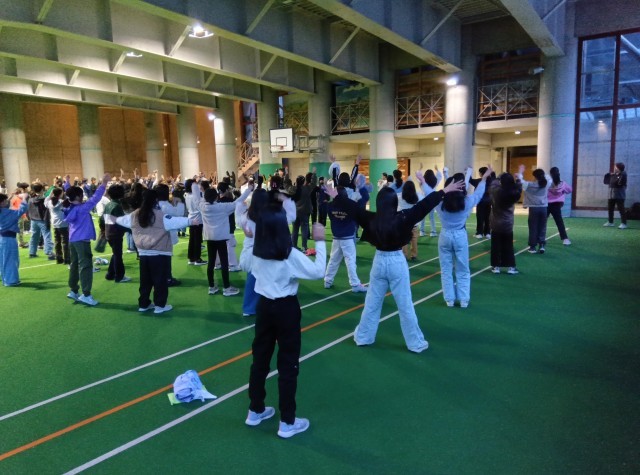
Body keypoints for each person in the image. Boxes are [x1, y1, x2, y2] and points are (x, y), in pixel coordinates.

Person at [326, 174, 463, 352]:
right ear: (394, 203)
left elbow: (352, 208)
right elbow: (424, 206)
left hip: (379, 262)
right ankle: (415, 343)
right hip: (397, 262)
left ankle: (364, 337)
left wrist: (336, 196)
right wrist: (444, 191)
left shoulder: (371, 218)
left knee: (372, 303)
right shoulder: (404, 217)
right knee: (405, 305)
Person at [244, 201, 327, 439]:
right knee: (288, 364)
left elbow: (244, 264)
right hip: (285, 310)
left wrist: (249, 239)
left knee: (260, 359)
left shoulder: (256, 251)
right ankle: (287, 422)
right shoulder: (289, 255)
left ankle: (255, 410)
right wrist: (320, 241)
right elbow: (318, 271)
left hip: (264, 308)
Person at [116, 189, 198, 314]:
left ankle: (143, 304)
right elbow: (174, 221)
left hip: (143, 253)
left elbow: (121, 220)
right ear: (155, 200)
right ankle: (160, 305)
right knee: (160, 280)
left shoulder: (134, 214)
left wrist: (109, 218)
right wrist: (190, 221)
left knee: (145, 281)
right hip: (160, 253)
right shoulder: (160, 215)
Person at [435, 167, 492, 308]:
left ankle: (449, 300)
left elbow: (430, 194)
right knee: (463, 269)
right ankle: (464, 300)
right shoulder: (467, 202)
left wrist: (423, 182)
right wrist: (484, 178)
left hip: (445, 235)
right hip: (460, 235)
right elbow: (478, 193)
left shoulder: (440, 204)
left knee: (446, 270)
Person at [194, 181, 253, 297]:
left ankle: (211, 287)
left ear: (205, 197)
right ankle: (226, 288)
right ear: (216, 197)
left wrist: (194, 185)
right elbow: (239, 201)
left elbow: (196, 198)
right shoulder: (223, 207)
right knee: (224, 263)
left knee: (211, 263)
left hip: (209, 238)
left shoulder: (202, 206)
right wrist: (249, 189)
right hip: (221, 238)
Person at [64, 173, 110, 306]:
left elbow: (69, 192)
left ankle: (73, 290)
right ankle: (86, 294)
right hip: (82, 240)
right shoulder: (82, 209)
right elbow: (95, 198)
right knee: (86, 266)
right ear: (78, 197)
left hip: (73, 239)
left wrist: (67, 182)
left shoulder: (69, 207)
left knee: (74, 264)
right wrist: (104, 183)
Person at [324, 172, 367, 293]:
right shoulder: (351, 204)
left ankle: (327, 281)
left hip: (336, 237)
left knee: (333, 260)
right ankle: (355, 284)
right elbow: (362, 202)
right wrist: (360, 188)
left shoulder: (330, 206)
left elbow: (332, 216)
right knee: (350, 261)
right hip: (347, 237)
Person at [489, 173, 522, 275]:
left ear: (501, 182)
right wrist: (518, 179)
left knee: (495, 246)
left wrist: (495, 176)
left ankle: (496, 267)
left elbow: (493, 185)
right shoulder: (514, 193)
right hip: (508, 224)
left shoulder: (496, 192)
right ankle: (511, 267)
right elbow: (519, 188)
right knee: (508, 246)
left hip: (495, 223)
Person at [517, 165, 552, 254]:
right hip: (544, 208)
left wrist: (520, 172)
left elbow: (520, 181)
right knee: (542, 227)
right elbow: (549, 178)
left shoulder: (529, 185)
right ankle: (542, 245)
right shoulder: (547, 184)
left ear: (535, 177)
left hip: (533, 209)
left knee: (533, 228)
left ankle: (532, 247)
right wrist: (541, 172)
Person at [0, 191, 29, 286]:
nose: (7, 202)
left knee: (3, 259)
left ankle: (5, 278)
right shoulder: (7, 213)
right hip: (8, 239)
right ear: (2, 203)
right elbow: (22, 209)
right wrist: (24, 198)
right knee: (10, 259)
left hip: (2, 237)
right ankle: (10, 280)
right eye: (5, 201)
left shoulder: (3, 211)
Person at [103, 184, 129, 283]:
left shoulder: (108, 205)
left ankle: (110, 274)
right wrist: (130, 229)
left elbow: (102, 219)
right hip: (116, 233)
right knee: (118, 255)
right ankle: (119, 276)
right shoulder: (117, 206)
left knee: (115, 254)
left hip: (108, 231)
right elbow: (121, 222)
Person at [547, 167, 573, 245]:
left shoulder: (547, 183)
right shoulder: (563, 184)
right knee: (559, 222)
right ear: (559, 173)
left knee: (542, 222)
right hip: (556, 205)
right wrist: (562, 193)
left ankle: (539, 239)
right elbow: (570, 190)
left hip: (546, 204)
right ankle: (565, 239)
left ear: (550, 174)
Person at [45, 187, 70, 265]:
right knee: (65, 242)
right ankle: (67, 259)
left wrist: (51, 194)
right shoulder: (61, 202)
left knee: (57, 241)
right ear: (60, 194)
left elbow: (46, 200)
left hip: (54, 224)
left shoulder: (49, 202)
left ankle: (59, 259)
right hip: (63, 223)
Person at [470, 167, 494, 239]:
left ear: (481, 173)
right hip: (489, 202)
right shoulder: (491, 181)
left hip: (481, 202)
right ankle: (487, 233)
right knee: (487, 217)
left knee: (480, 217)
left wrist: (468, 172)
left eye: (479, 172)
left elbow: (470, 180)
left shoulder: (479, 181)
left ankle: (479, 233)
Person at [399, 180, 420, 261]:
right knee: (414, 239)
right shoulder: (416, 198)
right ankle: (414, 255)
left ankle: (404, 254)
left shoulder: (400, 197)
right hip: (414, 222)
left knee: (404, 239)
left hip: (403, 222)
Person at [604, 162, 627, 229]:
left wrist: (617, 175)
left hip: (619, 195)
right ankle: (610, 222)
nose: (615, 168)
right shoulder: (613, 175)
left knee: (621, 209)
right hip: (611, 195)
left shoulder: (623, 174)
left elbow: (620, 183)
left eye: (616, 167)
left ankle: (624, 223)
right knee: (610, 209)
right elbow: (606, 182)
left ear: (619, 168)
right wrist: (610, 175)